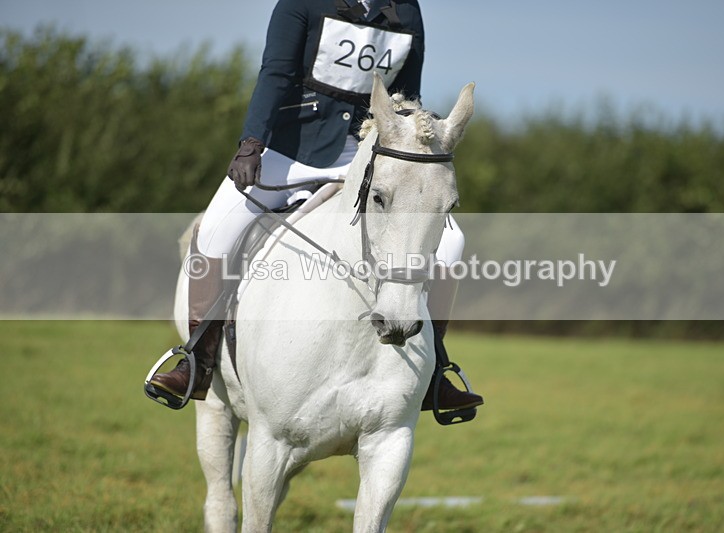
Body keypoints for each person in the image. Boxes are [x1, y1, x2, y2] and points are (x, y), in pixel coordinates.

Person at [149, 0, 483, 412]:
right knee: (216, 228)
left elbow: (406, 95)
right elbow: (276, 73)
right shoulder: (301, 3)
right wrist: (252, 142)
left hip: (366, 160)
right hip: (291, 150)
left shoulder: (406, 10)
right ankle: (197, 360)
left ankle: (435, 371)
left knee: (451, 243)